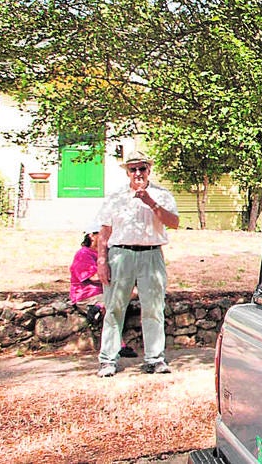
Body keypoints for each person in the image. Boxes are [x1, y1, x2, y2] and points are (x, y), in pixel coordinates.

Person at [95, 151, 180, 377]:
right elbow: (104, 232)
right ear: (127, 172)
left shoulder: (161, 194)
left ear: (149, 170)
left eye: (142, 168)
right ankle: (107, 360)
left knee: (153, 308)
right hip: (120, 254)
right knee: (114, 308)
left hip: (151, 255)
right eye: (133, 169)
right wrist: (102, 261)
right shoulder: (115, 197)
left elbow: (174, 223)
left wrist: (151, 203)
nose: (138, 173)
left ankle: (155, 358)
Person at [70, 227, 137, 357]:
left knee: (134, 292)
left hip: (107, 292)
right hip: (88, 294)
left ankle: (100, 307)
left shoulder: (108, 253)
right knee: (112, 307)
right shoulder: (83, 254)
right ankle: (118, 345)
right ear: (91, 236)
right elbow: (94, 276)